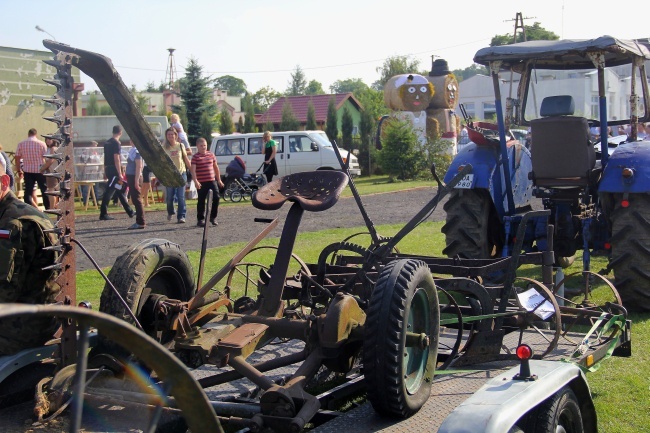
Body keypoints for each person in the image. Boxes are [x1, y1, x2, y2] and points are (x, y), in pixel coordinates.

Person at [0, 164, 61, 355]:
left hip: (24, 326)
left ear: (3, 182)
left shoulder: (13, 225)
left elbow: (4, 291)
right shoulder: (10, 214)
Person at [99, 125, 134, 221]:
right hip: (114, 169)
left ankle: (129, 211)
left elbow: (106, 158)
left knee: (118, 190)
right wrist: (119, 173)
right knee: (109, 192)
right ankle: (103, 213)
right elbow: (116, 159)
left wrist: (105, 170)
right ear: (120, 133)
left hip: (108, 168)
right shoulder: (116, 143)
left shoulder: (107, 143)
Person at [191, 137, 224, 227]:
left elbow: (216, 167)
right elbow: (193, 170)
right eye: (201, 146)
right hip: (201, 182)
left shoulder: (211, 155)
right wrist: (196, 181)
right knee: (201, 200)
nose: (203, 147)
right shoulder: (195, 157)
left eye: (205, 145)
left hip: (211, 180)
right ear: (197, 146)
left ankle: (213, 217)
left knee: (216, 197)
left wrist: (219, 180)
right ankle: (200, 219)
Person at [14, 128, 50, 210]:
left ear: (28, 134)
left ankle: (29, 208)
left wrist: (19, 169)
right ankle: (48, 208)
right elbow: (47, 158)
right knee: (44, 190)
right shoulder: (41, 143)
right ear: (35, 134)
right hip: (40, 170)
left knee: (28, 191)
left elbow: (17, 157)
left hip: (27, 170)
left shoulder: (21, 144)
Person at [163, 127, 191, 223]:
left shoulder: (180, 146)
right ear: (166, 136)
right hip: (170, 175)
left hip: (181, 173)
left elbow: (186, 159)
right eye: (169, 134)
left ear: (176, 135)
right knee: (170, 197)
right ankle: (171, 211)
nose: (170, 136)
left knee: (181, 196)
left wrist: (191, 170)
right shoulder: (164, 147)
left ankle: (181, 216)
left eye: (172, 134)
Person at [125, 141, 146, 229]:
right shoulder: (133, 150)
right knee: (135, 199)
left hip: (135, 176)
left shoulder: (137, 151)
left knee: (137, 199)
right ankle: (139, 220)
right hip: (131, 176)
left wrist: (136, 180)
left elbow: (139, 166)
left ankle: (140, 221)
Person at [40, 138, 59, 208]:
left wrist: (42, 168)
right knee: (56, 190)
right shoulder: (51, 148)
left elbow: (51, 160)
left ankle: (51, 207)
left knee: (51, 190)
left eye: (49, 139)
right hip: (54, 171)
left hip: (52, 171)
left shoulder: (53, 148)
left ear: (54, 140)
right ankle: (56, 206)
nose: (47, 141)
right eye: (46, 139)